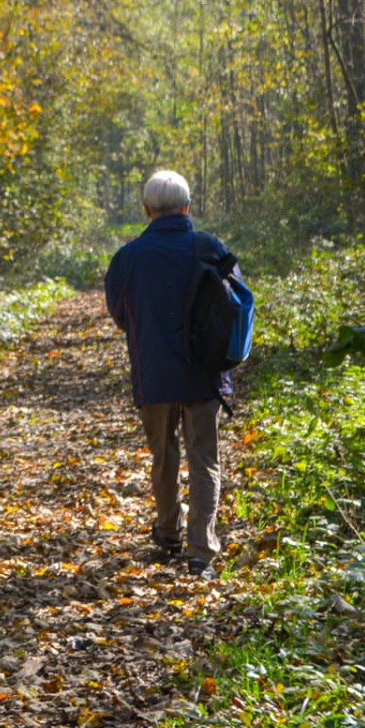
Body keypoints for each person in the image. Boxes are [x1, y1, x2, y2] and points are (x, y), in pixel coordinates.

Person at [103, 170, 239, 580]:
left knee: (164, 456)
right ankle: (201, 551)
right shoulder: (210, 248)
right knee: (204, 460)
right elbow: (234, 308)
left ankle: (167, 533)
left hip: (154, 374)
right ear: (187, 207)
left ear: (147, 210)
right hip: (204, 373)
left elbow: (120, 316)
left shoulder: (127, 259)